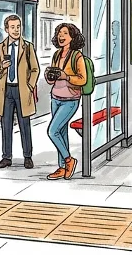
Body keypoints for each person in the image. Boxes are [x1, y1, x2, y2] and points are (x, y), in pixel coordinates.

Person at [0, 15, 40, 170]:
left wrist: (30, 86)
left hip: (22, 90)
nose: (16, 30)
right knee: (6, 125)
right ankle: (6, 157)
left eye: (18, 26)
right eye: (13, 27)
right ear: (6, 29)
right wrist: (2, 66)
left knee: (25, 125)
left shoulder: (28, 47)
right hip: (6, 91)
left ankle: (28, 157)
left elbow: (35, 69)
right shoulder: (0, 47)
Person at [45, 22, 87, 181]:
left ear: (72, 37)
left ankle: (69, 161)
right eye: (59, 33)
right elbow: (54, 76)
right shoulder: (56, 55)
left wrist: (66, 77)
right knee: (61, 133)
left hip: (70, 99)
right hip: (55, 97)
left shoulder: (77, 56)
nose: (61, 36)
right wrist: (50, 77)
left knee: (52, 131)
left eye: (65, 34)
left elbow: (83, 79)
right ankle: (62, 167)